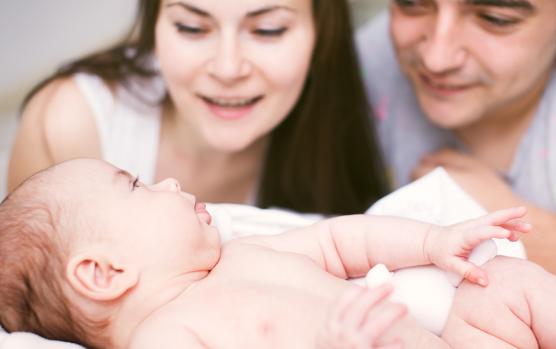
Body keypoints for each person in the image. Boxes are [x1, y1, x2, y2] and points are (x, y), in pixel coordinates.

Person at [1, 159, 556, 349]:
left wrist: (434, 241)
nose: (166, 184)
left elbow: (340, 240)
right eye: (135, 187)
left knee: (501, 282)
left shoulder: (240, 256)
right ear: (103, 273)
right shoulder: (166, 338)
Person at [7, 0, 388, 215]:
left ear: (322, 35)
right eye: (192, 27)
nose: (227, 68)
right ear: (154, 26)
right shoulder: (72, 123)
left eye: (267, 30)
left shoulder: (359, 124)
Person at [357, 0, 556, 304]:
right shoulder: (361, 67)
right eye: (412, 4)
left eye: (495, 18)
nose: (436, 60)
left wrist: (512, 230)